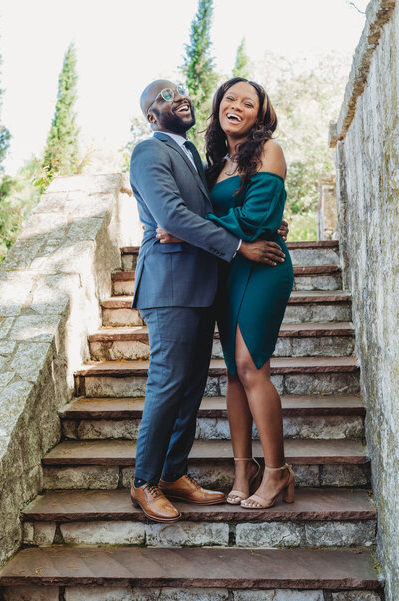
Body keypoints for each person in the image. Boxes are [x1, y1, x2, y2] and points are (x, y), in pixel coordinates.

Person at [129, 79, 288, 523]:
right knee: (167, 382)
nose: (178, 96)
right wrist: (240, 246)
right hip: (170, 285)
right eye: (164, 95)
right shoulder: (150, 151)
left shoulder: (200, 158)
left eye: (181, 90)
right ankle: (145, 481)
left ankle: (175, 472)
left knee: (192, 383)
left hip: (205, 284)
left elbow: (218, 209)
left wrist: (269, 223)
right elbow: (174, 216)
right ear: (150, 115)